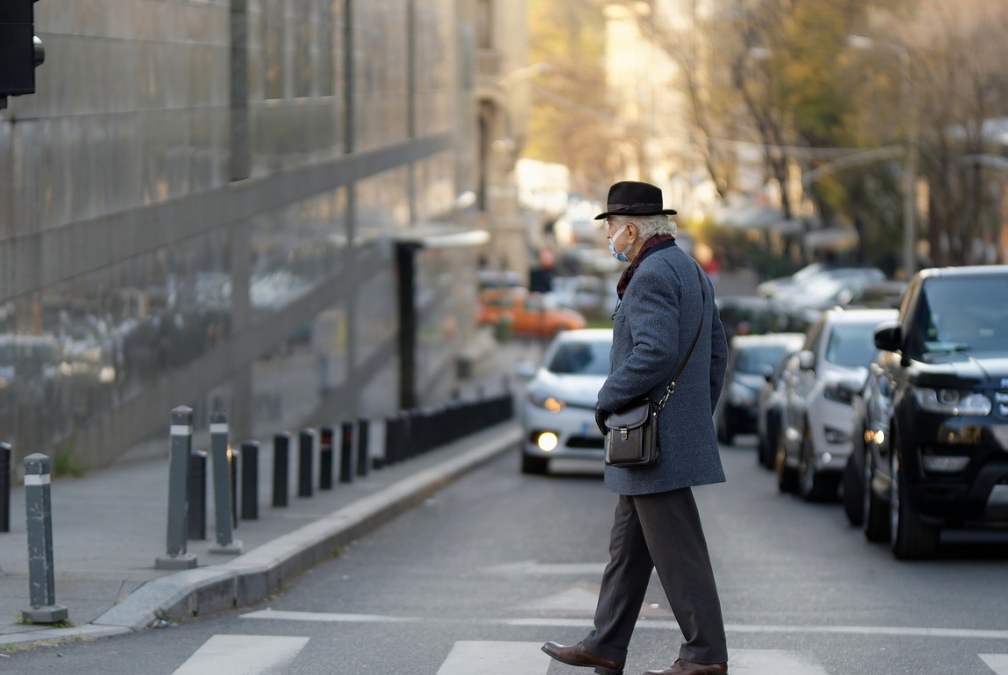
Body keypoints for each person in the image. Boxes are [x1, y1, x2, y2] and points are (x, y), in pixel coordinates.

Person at [541, 181, 730, 675]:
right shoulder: (688, 268)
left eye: (611, 226)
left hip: (650, 438)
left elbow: (654, 351)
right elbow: (717, 351)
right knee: (628, 550)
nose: (610, 236)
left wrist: (608, 398)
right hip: (663, 435)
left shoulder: (649, 274)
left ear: (630, 228)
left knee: (679, 553)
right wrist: (694, 414)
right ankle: (605, 643)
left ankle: (705, 656)